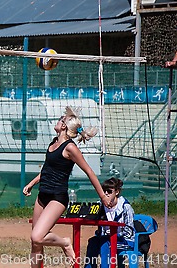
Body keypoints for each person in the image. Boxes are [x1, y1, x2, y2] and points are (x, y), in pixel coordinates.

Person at [23, 106, 112, 268]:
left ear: (63, 126)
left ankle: (65, 242)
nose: (56, 122)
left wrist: (103, 196)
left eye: (59, 119)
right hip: (42, 195)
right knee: (35, 243)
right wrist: (31, 184)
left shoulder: (70, 148)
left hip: (57, 198)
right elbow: (46, 170)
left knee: (37, 236)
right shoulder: (53, 143)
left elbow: (90, 172)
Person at [84, 177, 135, 268]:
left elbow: (130, 229)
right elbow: (93, 220)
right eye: (104, 191)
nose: (106, 193)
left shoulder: (125, 207)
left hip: (124, 240)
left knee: (105, 242)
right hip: (105, 237)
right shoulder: (100, 205)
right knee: (93, 242)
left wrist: (116, 236)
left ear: (117, 192)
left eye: (109, 191)